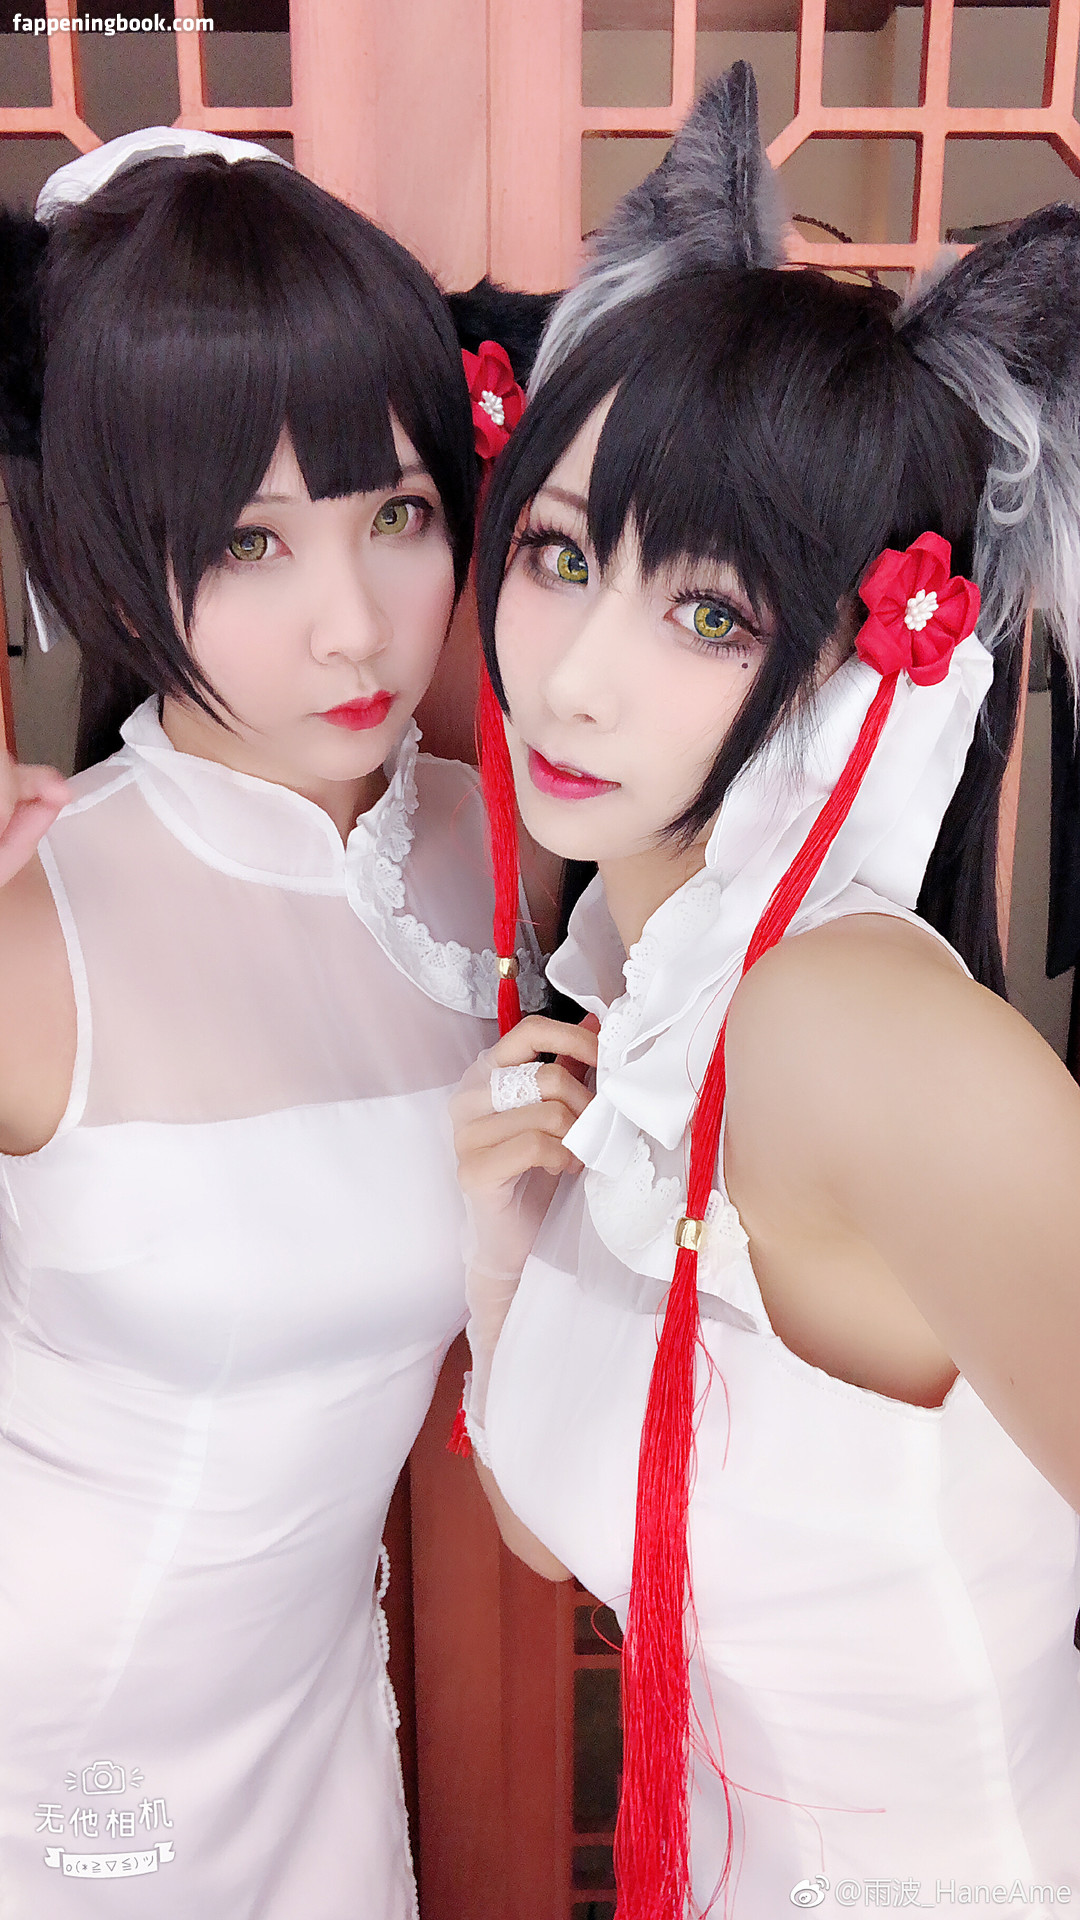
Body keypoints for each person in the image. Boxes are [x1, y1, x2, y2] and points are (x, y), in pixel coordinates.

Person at [452, 65, 1080, 1919]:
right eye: (561, 555)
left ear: (858, 664)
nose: (573, 675)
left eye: (711, 611)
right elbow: (558, 1527)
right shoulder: (637, 1003)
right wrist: (500, 1251)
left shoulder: (846, 1033)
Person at [0, 128, 545, 1918]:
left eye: (397, 515)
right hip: (47, 1753)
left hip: (307, 1719)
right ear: (109, 560)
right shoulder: (37, 917)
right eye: (248, 541)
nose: (353, 626)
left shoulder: (510, 849)